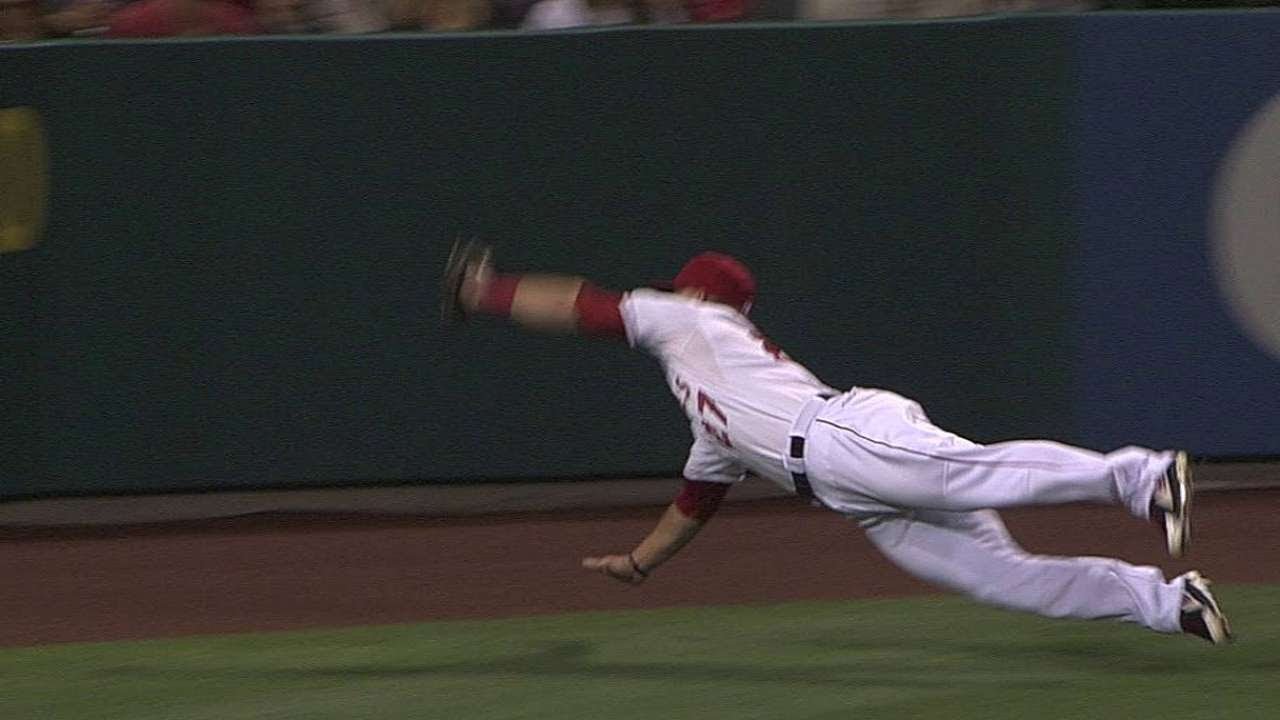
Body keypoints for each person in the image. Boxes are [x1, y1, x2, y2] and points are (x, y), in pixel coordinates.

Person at [441, 241, 1233, 645]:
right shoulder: (710, 396)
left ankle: (1145, 476)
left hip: (843, 437)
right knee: (1008, 580)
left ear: (695, 290)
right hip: (856, 492)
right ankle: (1172, 605)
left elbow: (587, 306)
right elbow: (696, 501)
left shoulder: (690, 320)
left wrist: (488, 293)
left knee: (972, 475)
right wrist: (641, 563)